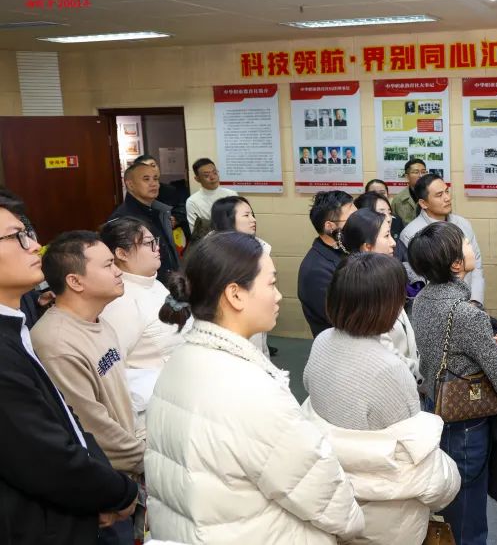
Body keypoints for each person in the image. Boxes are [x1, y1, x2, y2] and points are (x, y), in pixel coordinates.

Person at [146, 231, 365, 544]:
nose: (278, 296)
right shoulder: (250, 389)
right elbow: (320, 492)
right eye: (271, 283)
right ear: (235, 294)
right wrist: (353, 521)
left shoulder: (180, 360)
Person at [0, 191, 139, 544]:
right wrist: (120, 492)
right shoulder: (42, 341)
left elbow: (68, 422)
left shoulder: (17, 326)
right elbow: (45, 456)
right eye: (17, 237)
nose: (35, 246)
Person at [302, 252, 460, 544]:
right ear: (386, 305)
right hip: (385, 516)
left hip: (335, 496)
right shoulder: (388, 370)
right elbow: (416, 457)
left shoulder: (323, 341)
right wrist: (451, 477)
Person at [409, 221, 497, 545]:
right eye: (464, 243)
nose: (471, 247)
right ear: (455, 264)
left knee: (448, 505)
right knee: (467, 518)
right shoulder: (466, 314)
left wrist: (487, 349)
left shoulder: (422, 300)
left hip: (434, 409)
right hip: (466, 423)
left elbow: (446, 355)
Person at [32, 231, 145, 543]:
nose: (119, 271)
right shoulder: (56, 343)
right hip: (102, 490)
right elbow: (92, 428)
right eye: (108, 265)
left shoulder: (99, 322)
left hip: (126, 476)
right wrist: (150, 460)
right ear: (75, 281)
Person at [99, 217, 188, 428]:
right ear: (122, 254)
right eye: (148, 243)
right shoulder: (120, 301)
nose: (157, 248)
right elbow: (114, 372)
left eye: (156, 241)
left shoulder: (154, 284)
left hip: (181, 391)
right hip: (153, 409)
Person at [340, 208, 419, 381]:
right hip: (392, 380)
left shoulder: (384, 279)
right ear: (367, 247)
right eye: (386, 236)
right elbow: (386, 351)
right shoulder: (363, 292)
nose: (393, 243)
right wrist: (421, 376)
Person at [399, 173, 486, 307]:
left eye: (446, 191)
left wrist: (475, 301)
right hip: (438, 307)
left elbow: (477, 264)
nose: (447, 198)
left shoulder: (463, 223)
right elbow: (419, 280)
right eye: (439, 195)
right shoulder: (411, 233)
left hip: (470, 302)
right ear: (423, 203)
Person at [210, 196, 275, 357]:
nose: (253, 220)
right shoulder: (213, 254)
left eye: (252, 214)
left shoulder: (259, 248)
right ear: (228, 219)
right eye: (246, 215)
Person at [110, 161, 180, 282]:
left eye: (156, 179)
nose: (154, 184)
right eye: (146, 179)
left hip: (168, 282)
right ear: (130, 184)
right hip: (145, 285)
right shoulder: (123, 219)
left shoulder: (160, 211)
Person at [298, 191, 355, 337]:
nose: (358, 223)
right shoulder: (316, 270)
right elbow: (343, 318)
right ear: (330, 226)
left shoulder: (347, 249)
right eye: (352, 218)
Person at [185, 158, 237, 234]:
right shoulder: (192, 201)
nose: (212, 177)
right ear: (197, 179)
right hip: (210, 240)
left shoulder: (231, 194)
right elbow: (196, 232)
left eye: (215, 173)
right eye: (206, 175)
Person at [391, 158, 426, 225]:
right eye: (416, 172)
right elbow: (394, 225)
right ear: (407, 176)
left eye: (423, 172)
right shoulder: (398, 200)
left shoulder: (433, 196)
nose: (421, 176)